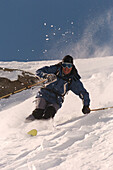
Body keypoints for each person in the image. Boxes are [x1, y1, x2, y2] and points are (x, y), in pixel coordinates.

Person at [26, 55, 90, 121]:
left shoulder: (72, 79)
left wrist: (86, 106)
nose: (66, 68)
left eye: (69, 66)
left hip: (56, 100)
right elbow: (39, 71)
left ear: (72, 67)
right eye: (64, 65)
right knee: (38, 112)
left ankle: (42, 128)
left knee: (49, 114)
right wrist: (46, 75)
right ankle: (24, 125)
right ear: (62, 65)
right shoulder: (56, 69)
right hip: (44, 94)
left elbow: (83, 93)